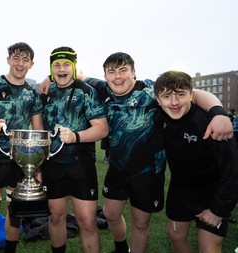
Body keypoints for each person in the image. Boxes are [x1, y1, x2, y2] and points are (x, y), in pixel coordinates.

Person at [40, 52, 233, 253]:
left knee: (140, 223)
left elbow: (196, 93)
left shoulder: (150, 89)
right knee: (110, 214)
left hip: (148, 172)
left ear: (134, 72)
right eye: (111, 72)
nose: (117, 77)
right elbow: (75, 76)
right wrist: (49, 77)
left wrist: (218, 112)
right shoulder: (101, 88)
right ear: (105, 76)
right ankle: (121, 248)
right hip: (118, 167)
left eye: (123, 70)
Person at [154, 70, 238, 253]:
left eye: (181, 94)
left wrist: (219, 211)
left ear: (192, 95)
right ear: (158, 99)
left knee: (209, 248)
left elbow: (233, 172)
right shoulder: (161, 116)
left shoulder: (212, 124)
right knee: (175, 236)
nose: (174, 102)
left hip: (211, 193)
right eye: (167, 96)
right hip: (180, 191)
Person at [0, 42, 43, 253]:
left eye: (25, 60)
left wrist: (38, 166)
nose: (20, 64)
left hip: (21, 159)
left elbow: (38, 131)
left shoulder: (33, 94)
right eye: (16, 58)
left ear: (31, 63)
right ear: (8, 60)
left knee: (15, 213)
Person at [41, 46, 108, 253]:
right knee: (56, 217)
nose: (62, 69)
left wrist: (75, 136)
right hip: (52, 165)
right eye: (57, 65)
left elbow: (102, 128)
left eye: (66, 64)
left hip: (81, 164)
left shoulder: (86, 91)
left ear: (74, 66)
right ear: (51, 68)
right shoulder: (44, 92)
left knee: (87, 221)